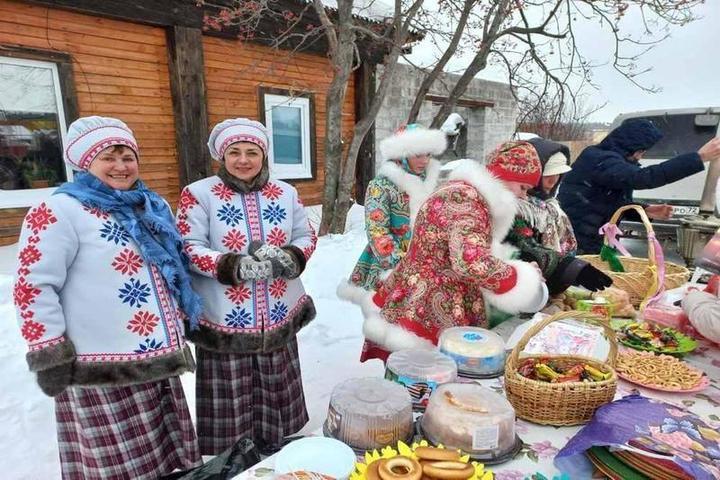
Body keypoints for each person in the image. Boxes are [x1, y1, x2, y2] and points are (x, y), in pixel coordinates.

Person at [13, 116, 202, 479]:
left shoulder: (148, 205)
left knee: (162, 459)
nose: (121, 166)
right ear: (85, 162)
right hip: (100, 368)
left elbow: (172, 264)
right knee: (117, 467)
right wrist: (50, 353)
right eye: (108, 158)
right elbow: (33, 287)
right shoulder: (57, 212)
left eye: (127, 156)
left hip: (155, 361)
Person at [177, 118, 317, 456]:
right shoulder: (198, 194)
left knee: (276, 384)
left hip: (278, 310)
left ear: (263, 155)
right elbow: (188, 246)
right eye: (234, 152)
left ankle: (279, 449)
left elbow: (305, 234)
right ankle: (233, 457)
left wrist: (292, 256)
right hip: (224, 317)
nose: (243, 160)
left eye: (251, 152)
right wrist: (233, 265)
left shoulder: (286, 193)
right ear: (222, 156)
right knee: (232, 395)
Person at [356, 141, 549, 360]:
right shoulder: (464, 199)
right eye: (522, 187)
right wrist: (523, 279)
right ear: (502, 175)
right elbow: (470, 261)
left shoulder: (468, 194)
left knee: (420, 378)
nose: (524, 196)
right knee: (424, 379)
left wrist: (514, 266)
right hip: (429, 306)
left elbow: (465, 246)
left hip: (426, 294)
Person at [338, 124, 446, 361]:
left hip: (427, 267)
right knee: (391, 324)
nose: (424, 160)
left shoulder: (432, 184)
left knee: (420, 325)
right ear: (402, 153)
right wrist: (402, 264)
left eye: (428, 154)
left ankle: (418, 370)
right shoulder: (382, 185)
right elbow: (377, 230)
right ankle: (394, 369)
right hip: (392, 266)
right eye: (418, 154)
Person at [558, 119, 720, 254]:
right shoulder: (600, 159)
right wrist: (698, 158)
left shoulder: (611, 162)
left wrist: (643, 209)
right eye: (641, 151)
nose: (641, 156)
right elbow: (643, 178)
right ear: (630, 146)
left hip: (593, 238)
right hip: (575, 239)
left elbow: (606, 201)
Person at [507, 138, 613, 295]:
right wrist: (570, 268)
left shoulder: (550, 205)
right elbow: (525, 247)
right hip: (521, 291)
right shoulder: (515, 208)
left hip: (546, 287)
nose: (553, 180)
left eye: (559, 174)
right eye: (548, 173)